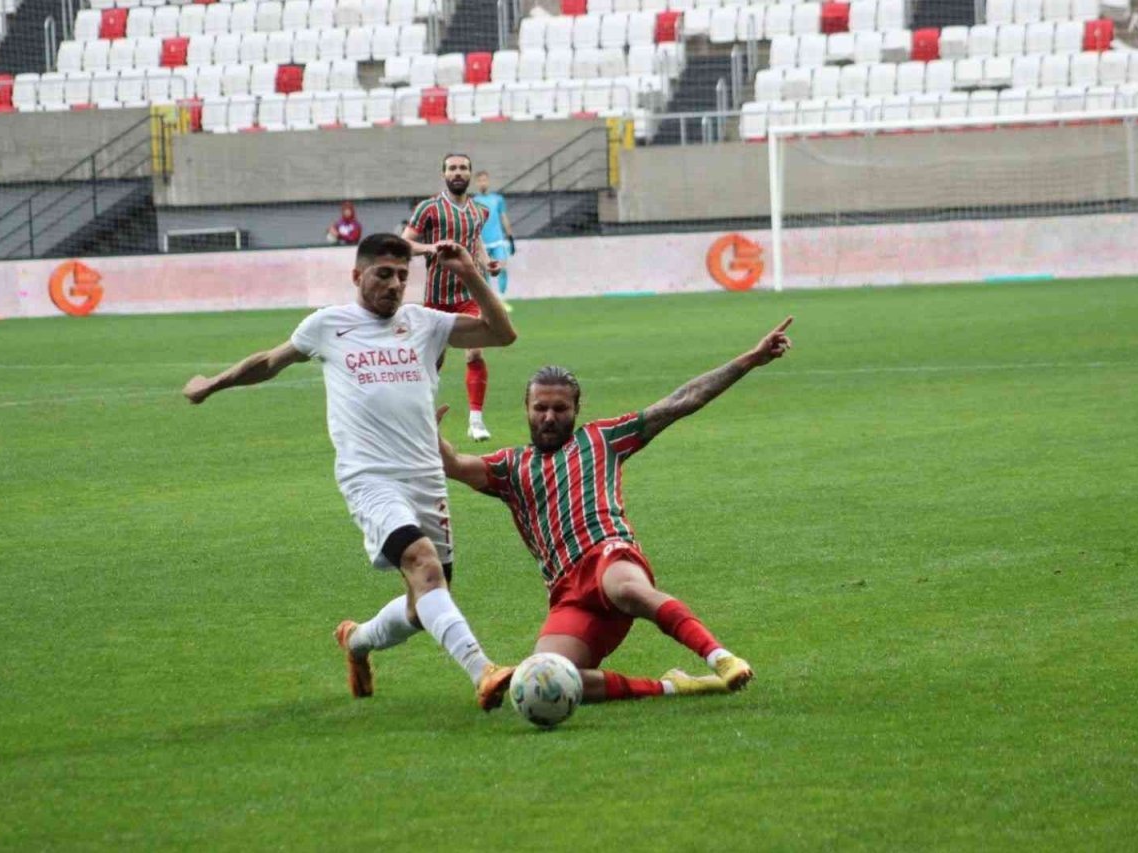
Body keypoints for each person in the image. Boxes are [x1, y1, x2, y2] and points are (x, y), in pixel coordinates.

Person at [181, 233, 519, 712]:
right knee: (423, 564)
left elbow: (501, 333)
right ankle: (483, 671)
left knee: (423, 603)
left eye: (402, 276)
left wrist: (469, 273)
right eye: (383, 274)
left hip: (425, 475)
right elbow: (269, 362)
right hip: (370, 478)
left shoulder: (424, 323)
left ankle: (358, 641)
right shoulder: (328, 325)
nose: (394, 284)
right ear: (357, 275)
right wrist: (211, 384)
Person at [438, 318, 795, 704]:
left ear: (576, 409)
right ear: (526, 408)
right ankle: (675, 686)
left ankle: (720, 658)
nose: (549, 417)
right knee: (544, 677)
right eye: (540, 408)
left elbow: (682, 401)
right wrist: (425, 428)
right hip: (567, 591)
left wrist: (750, 359)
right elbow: (453, 464)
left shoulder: (602, 438)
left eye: (560, 408)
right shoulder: (510, 467)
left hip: (608, 553)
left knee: (626, 588)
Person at [402, 153, 500, 443]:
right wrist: (431, 248)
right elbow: (404, 243)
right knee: (433, 362)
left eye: (463, 168)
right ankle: (421, 419)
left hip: (469, 295)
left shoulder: (480, 211)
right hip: (437, 299)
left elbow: (475, 239)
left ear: (470, 174)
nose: (458, 172)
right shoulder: (428, 208)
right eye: (452, 168)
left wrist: (487, 262)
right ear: (443, 174)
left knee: (475, 352)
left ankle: (476, 421)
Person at [471, 171, 514, 303]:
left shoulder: (497, 199)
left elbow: (504, 217)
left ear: (488, 182)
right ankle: (489, 301)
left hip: (498, 241)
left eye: (484, 180)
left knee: (503, 268)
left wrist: (510, 238)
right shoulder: (473, 201)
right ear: (476, 183)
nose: (482, 183)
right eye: (480, 181)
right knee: (484, 272)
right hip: (482, 243)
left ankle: (502, 299)